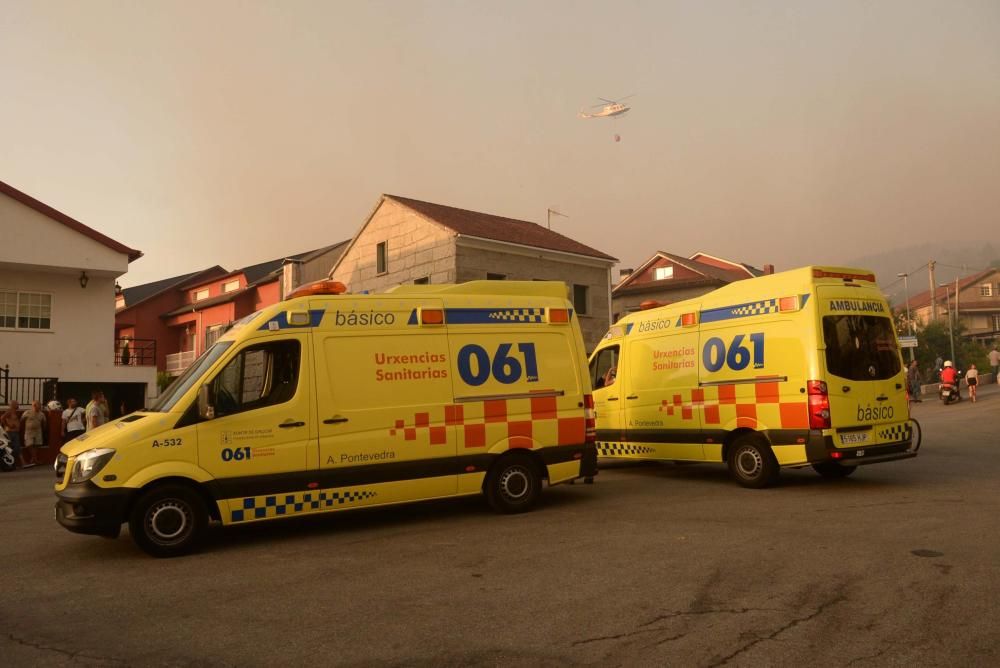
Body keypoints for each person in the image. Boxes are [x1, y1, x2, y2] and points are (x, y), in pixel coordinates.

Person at [20, 400, 45, 468]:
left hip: (38, 431)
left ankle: (33, 459)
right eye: (38, 405)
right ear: (33, 406)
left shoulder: (41, 414)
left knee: (37, 444)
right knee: (29, 444)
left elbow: (44, 423)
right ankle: (35, 459)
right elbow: (22, 421)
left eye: (39, 405)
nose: (39, 406)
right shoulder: (27, 412)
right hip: (29, 431)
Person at [1, 401, 22, 469]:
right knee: (13, 448)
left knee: (15, 448)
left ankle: (12, 464)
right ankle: (10, 464)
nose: (18, 405)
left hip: (15, 433)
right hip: (10, 432)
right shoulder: (9, 412)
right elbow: (2, 418)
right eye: (17, 404)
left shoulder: (14, 412)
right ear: (12, 405)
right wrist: (9, 426)